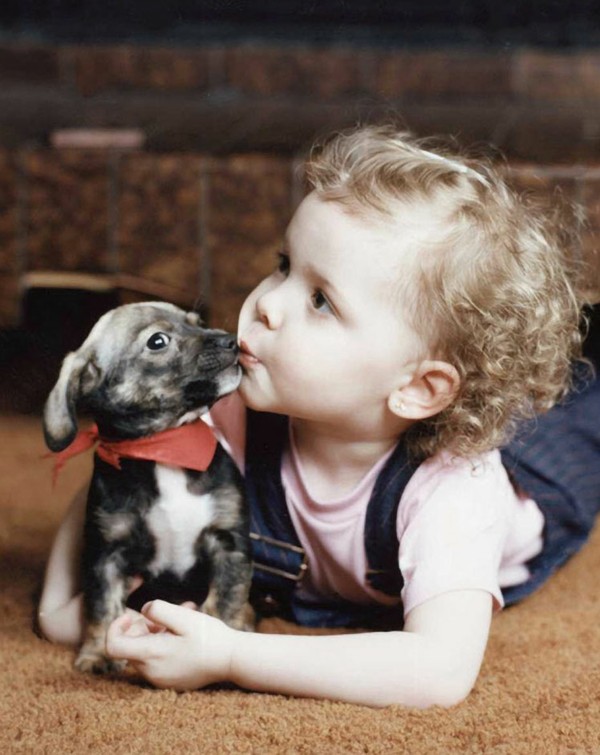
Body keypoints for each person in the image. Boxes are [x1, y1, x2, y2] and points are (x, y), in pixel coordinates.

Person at [38, 125, 600, 708]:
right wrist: (67, 607)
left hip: (535, 473)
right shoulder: (233, 414)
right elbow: (117, 471)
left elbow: (437, 671)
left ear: (417, 385)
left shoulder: (455, 491)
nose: (266, 304)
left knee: (573, 411)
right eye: (284, 265)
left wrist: (230, 654)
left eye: (320, 300)